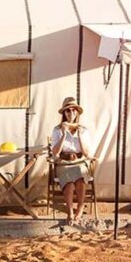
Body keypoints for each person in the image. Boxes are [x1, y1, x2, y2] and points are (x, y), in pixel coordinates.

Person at [50, 96, 93, 225]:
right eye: (68, 111)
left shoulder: (84, 130)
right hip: (64, 162)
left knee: (80, 175)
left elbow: (86, 153)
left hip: (79, 161)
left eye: (74, 110)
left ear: (77, 113)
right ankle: (70, 211)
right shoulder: (57, 130)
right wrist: (64, 134)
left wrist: (79, 135)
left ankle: (80, 207)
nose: (71, 113)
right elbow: (55, 152)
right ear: (64, 113)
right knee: (68, 180)